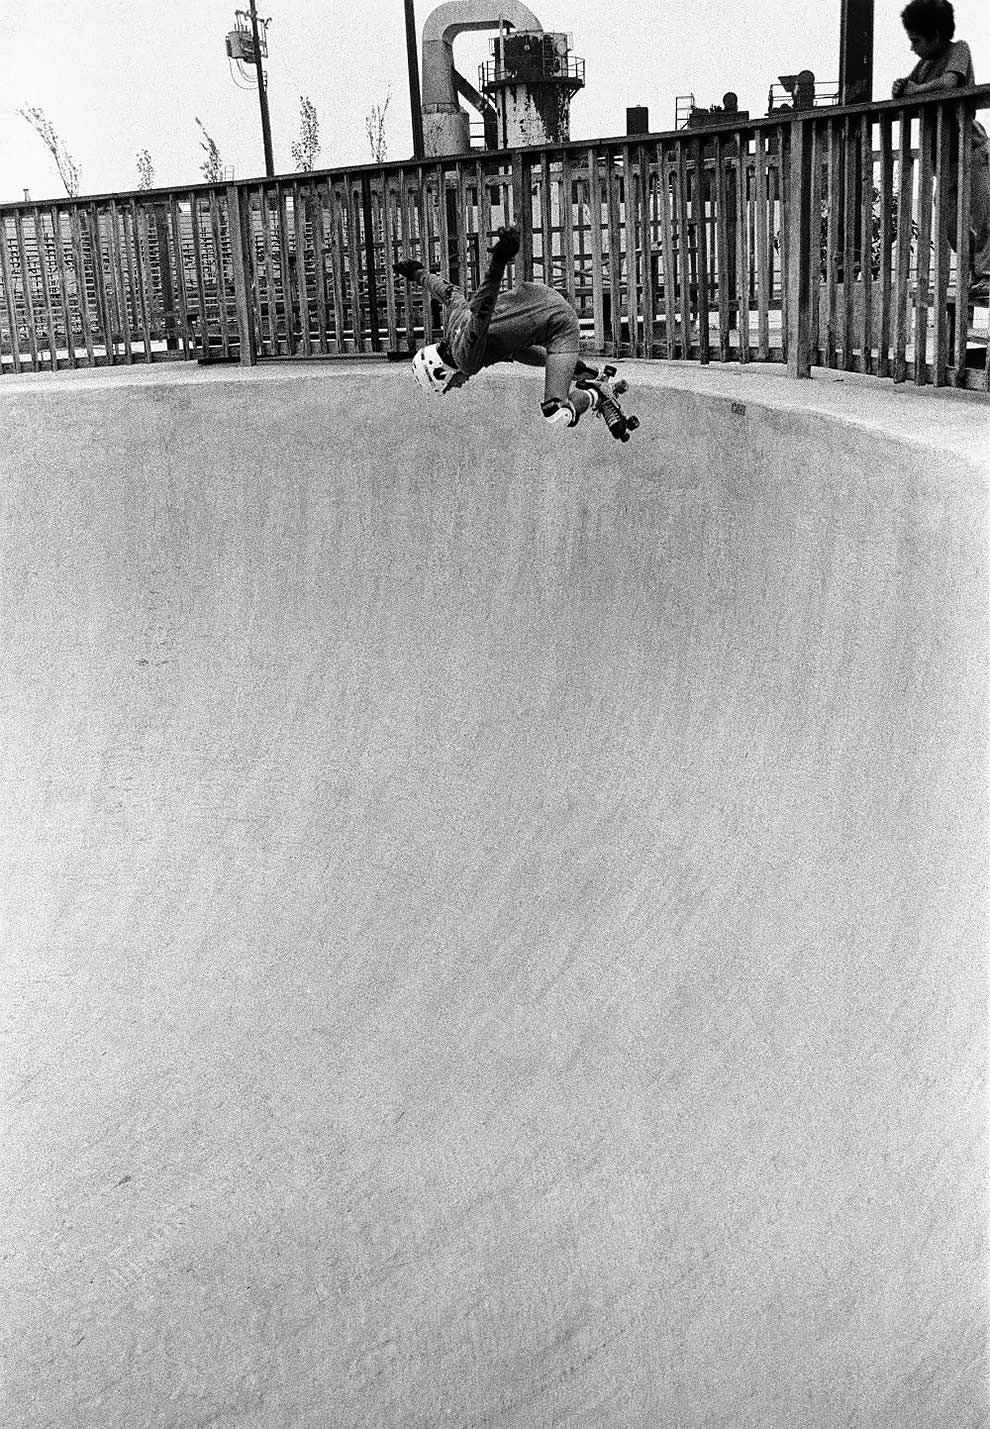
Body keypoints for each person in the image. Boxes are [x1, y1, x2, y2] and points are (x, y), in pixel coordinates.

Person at [394, 226, 606, 427]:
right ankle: (578, 368)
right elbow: (450, 293)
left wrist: (499, 260)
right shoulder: (453, 325)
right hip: (539, 294)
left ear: (442, 373)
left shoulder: (466, 359)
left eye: (449, 386)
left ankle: (596, 392)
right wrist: (418, 273)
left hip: (559, 325)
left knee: (555, 413)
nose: (457, 386)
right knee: (508, 351)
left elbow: (482, 310)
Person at [891, 0, 990, 299]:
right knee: (949, 222)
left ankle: (986, 273)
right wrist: (900, 88)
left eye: (916, 40)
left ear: (935, 35)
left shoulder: (958, 49)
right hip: (944, 160)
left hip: (970, 151)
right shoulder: (923, 64)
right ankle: (976, 270)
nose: (913, 48)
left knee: (983, 215)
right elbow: (908, 88)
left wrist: (914, 91)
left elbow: (950, 83)